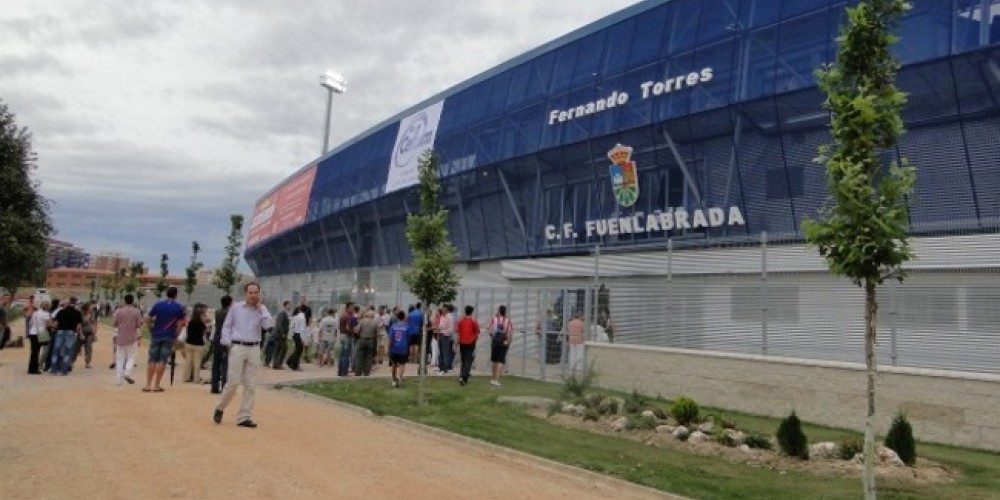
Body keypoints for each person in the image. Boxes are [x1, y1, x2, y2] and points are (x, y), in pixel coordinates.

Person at [214, 282, 273, 428]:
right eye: (250, 292)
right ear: (245, 293)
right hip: (238, 346)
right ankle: (220, 407)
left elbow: (268, 325)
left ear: (259, 294)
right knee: (233, 382)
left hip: (254, 347)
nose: (253, 295)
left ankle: (244, 416)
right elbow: (226, 327)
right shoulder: (236, 308)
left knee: (250, 384)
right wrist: (228, 343)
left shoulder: (261, 310)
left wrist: (262, 309)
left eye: (256, 292)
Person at [143, 286, 186, 392]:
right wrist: (176, 335)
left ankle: (148, 384)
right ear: (176, 295)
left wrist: (151, 329)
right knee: (162, 360)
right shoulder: (179, 307)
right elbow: (181, 323)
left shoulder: (158, 304)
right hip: (169, 335)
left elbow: (148, 318)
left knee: (152, 359)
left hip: (156, 334)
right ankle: (157, 385)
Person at [113, 294, 143, 385]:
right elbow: (138, 325)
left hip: (120, 337)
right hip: (132, 338)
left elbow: (115, 323)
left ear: (124, 301)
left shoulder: (119, 311)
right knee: (131, 357)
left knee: (120, 359)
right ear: (132, 301)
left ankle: (119, 380)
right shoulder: (136, 312)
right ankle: (127, 373)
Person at [50, 296, 83, 375]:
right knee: (67, 351)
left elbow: (55, 324)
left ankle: (54, 369)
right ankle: (64, 370)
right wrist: (79, 334)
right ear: (75, 303)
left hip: (60, 331)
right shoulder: (77, 313)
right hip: (71, 332)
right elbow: (78, 326)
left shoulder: (61, 311)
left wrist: (53, 329)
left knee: (56, 350)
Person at [210, 295, 233, 393]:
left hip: (216, 338)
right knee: (225, 364)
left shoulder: (217, 311)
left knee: (216, 363)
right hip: (224, 339)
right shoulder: (229, 313)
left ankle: (214, 386)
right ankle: (224, 386)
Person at [488, 305, 514, 387]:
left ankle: (493, 377)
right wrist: (508, 342)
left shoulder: (494, 319)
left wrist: (493, 338)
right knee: (501, 360)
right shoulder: (508, 321)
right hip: (504, 342)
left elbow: (490, 331)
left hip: (495, 342)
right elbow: (510, 333)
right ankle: (497, 379)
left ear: (499, 311)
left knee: (494, 360)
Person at [182, 303, 209, 383]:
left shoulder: (190, 322)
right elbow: (204, 333)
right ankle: (196, 378)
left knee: (188, 361)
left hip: (189, 343)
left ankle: (186, 377)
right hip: (199, 344)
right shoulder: (202, 324)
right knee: (197, 363)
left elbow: (187, 331)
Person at [455, 305, 480, 386]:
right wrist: (475, 340)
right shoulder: (473, 321)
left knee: (463, 359)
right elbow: (477, 332)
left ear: (465, 311)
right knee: (468, 360)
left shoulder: (461, 321)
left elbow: (458, 332)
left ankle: (462, 376)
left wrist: (457, 342)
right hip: (470, 343)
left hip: (462, 342)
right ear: (472, 312)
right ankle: (464, 376)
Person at [27, 300, 51, 374]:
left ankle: (31, 368)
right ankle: (35, 369)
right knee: (37, 351)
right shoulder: (46, 314)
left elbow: (30, 323)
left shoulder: (35, 313)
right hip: (40, 333)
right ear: (46, 306)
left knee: (33, 352)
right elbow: (48, 324)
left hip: (32, 333)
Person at [387, 310, 409, 387]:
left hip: (394, 347)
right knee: (402, 364)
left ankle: (393, 379)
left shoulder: (393, 326)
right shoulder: (406, 326)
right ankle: (400, 377)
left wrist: (389, 347)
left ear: (397, 317)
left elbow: (390, 338)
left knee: (394, 364)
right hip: (403, 348)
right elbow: (408, 337)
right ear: (404, 317)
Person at [72, 302, 98, 369]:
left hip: (89, 334)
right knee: (76, 348)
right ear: (86, 307)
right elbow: (78, 324)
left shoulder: (92, 314)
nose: (91, 308)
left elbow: (94, 324)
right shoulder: (80, 314)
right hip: (81, 333)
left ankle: (87, 363)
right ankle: (72, 361)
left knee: (89, 349)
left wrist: (94, 333)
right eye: (90, 307)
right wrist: (80, 333)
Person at [354, 310, 378, 376]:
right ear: (373, 316)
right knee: (369, 358)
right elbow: (376, 334)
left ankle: (358, 373)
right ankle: (366, 373)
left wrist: (359, 336)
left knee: (359, 358)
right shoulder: (375, 323)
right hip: (371, 341)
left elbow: (356, 330)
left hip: (362, 340)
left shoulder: (362, 321)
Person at [436, 304, 456, 374]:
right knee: (440, 352)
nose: (442, 309)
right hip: (440, 335)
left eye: (443, 308)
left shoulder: (449, 317)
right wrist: (438, 330)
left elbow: (450, 328)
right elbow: (440, 326)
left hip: (446, 336)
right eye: (442, 308)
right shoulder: (442, 317)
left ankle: (445, 368)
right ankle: (441, 368)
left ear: (447, 309)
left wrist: (444, 332)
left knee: (445, 353)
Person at [271, 300, 291, 369]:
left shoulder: (285, 313)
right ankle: (278, 364)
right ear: (285, 305)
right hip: (280, 335)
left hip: (281, 334)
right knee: (282, 348)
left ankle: (276, 364)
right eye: (289, 305)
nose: (290, 306)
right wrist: (282, 333)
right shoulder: (282, 313)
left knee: (279, 348)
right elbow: (280, 324)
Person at [337, 303, 355, 376]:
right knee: (346, 354)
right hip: (347, 336)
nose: (353, 309)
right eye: (351, 308)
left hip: (342, 335)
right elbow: (348, 328)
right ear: (347, 308)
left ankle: (340, 371)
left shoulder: (342, 316)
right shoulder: (348, 317)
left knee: (342, 354)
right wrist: (353, 331)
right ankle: (344, 372)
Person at [287, 306, 306, 371]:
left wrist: (291, 334)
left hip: (295, 334)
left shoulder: (295, 317)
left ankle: (290, 361)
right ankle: (295, 365)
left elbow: (292, 326)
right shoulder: (302, 317)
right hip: (299, 335)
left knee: (297, 350)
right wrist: (303, 339)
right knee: (299, 350)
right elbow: (302, 329)